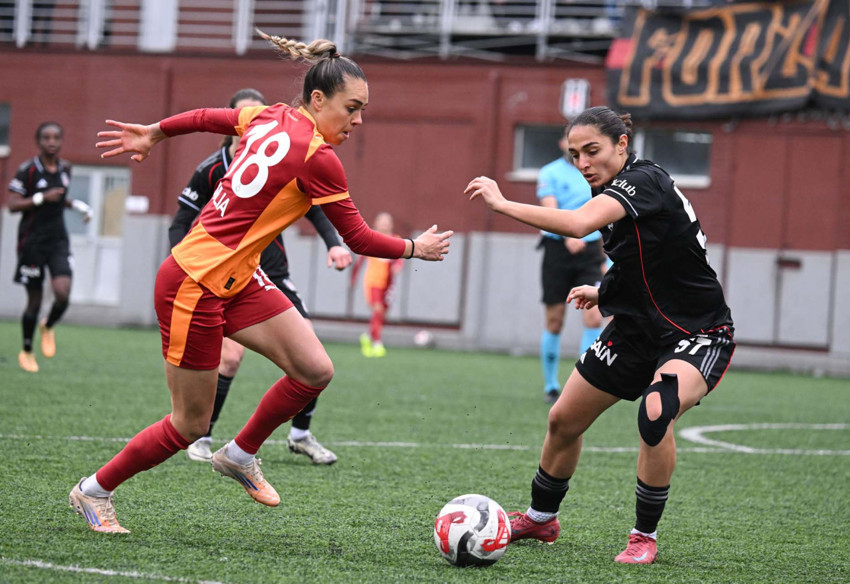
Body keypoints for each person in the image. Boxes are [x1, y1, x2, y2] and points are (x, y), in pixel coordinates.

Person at [68, 32, 453, 534]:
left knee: (314, 370)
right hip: (194, 283)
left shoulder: (269, 115)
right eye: (352, 108)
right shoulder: (318, 156)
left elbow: (206, 117)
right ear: (318, 100)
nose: (358, 121)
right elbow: (357, 237)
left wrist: (156, 133)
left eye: (362, 110)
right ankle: (94, 490)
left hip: (237, 276)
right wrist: (414, 248)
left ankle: (239, 453)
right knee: (189, 424)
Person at [465, 105, 734, 564]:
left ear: (622, 144)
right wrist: (603, 291)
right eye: (575, 155)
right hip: (635, 328)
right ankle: (541, 517)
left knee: (656, 411)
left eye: (592, 151)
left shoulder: (643, 180)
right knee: (563, 420)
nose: (583, 163)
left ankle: (643, 536)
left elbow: (577, 224)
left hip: (697, 331)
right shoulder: (612, 189)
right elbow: (643, 259)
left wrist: (502, 203)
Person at [169, 88, 351, 465]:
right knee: (230, 358)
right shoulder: (211, 169)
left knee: (312, 354)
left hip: (272, 269)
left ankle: (300, 434)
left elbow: (315, 205)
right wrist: (186, 268)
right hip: (221, 273)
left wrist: (334, 244)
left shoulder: (285, 151)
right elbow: (180, 223)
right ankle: (203, 437)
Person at [7, 121, 92, 373]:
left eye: (56, 137)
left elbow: (59, 197)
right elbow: (12, 205)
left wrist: (78, 206)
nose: (51, 142)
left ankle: (48, 325)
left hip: (58, 240)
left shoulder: (65, 168)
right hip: (32, 242)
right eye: (46, 137)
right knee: (34, 301)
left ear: (61, 141)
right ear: (38, 141)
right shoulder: (28, 170)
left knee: (63, 294)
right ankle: (27, 350)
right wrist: (41, 197)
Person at [537, 127, 605, 404]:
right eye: (570, 142)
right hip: (557, 250)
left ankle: (583, 386)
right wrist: (568, 235)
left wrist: (609, 257)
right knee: (554, 321)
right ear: (562, 143)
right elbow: (549, 209)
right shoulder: (549, 172)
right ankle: (551, 386)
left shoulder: (595, 173)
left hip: (590, 250)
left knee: (594, 317)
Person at [350, 211, 403, 357]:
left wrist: (398, 265)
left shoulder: (396, 239)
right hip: (373, 281)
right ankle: (377, 342)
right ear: (376, 223)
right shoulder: (371, 238)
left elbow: (400, 257)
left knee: (382, 313)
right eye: (382, 221)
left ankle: (368, 336)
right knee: (377, 309)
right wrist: (354, 278)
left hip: (388, 283)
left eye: (387, 221)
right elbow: (360, 261)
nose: (384, 224)